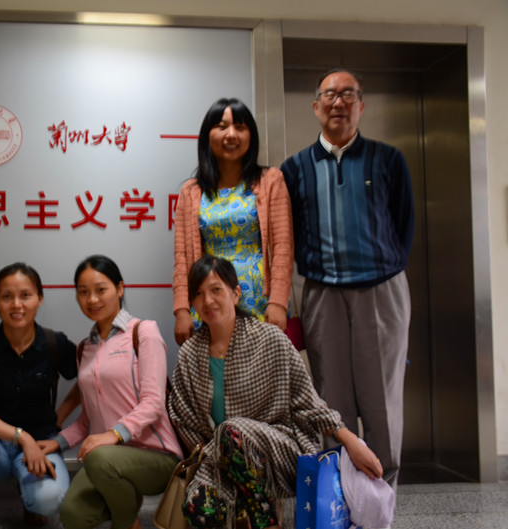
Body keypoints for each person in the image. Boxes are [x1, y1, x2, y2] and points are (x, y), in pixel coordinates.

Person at [168, 256, 383, 529]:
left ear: (235, 293)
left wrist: (350, 441)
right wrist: (214, 456)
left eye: (216, 290)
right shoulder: (189, 354)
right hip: (216, 458)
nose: (207, 300)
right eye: (198, 294)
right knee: (199, 508)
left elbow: (309, 403)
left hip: (279, 449)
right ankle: (247, 504)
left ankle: (267, 522)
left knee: (231, 433)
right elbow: (182, 416)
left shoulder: (270, 339)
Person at [280, 68, 414, 487]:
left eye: (348, 94)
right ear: (315, 106)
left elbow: (404, 224)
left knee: (382, 401)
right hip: (323, 294)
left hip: (381, 290)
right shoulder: (294, 168)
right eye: (330, 95)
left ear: (361, 105)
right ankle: (337, 503)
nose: (338, 102)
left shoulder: (388, 159)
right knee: (331, 402)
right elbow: (290, 233)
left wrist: (381, 266)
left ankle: (381, 502)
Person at [39, 255, 183, 529]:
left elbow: (154, 403)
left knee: (98, 458)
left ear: (119, 288)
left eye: (100, 289)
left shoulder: (144, 331)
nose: (92, 299)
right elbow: (88, 418)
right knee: (73, 515)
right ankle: (124, 499)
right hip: (106, 459)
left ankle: (127, 524)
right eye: (83, 292)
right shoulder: (84, 348)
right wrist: (58, 442)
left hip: (156, 455)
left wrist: (114, 434)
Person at [0, 263, 78, 527]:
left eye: (26, 295)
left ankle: (32, 503)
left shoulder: (55, 343)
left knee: (50, 499)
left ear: (39, 298)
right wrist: (22, 437)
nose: (17, 305)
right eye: (7, 296)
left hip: (41, 443)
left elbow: (90, 378)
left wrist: (59, 418)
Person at [173, 97, 293, 346]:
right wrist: (182, 310)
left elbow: (283, 247)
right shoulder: (191, 191)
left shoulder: (271, 180)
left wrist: (279, 302)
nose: (231, 135)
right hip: (209, 302)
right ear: (207, 136)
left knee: (259, 367)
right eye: (222, 126)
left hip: (259, 300)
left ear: (251, 135)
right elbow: (182, 258)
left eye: (240, 127)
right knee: (215, 367)